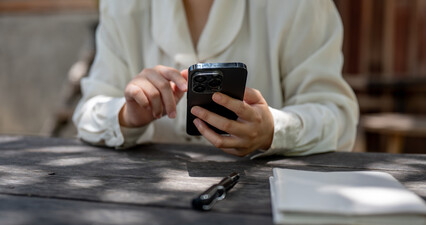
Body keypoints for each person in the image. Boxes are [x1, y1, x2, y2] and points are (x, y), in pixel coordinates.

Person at [72, 0, 359, 157]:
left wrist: (273, 130)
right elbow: (89, 111)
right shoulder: (123, 6)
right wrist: (126, 114)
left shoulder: (298, 6)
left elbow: (337, 116)